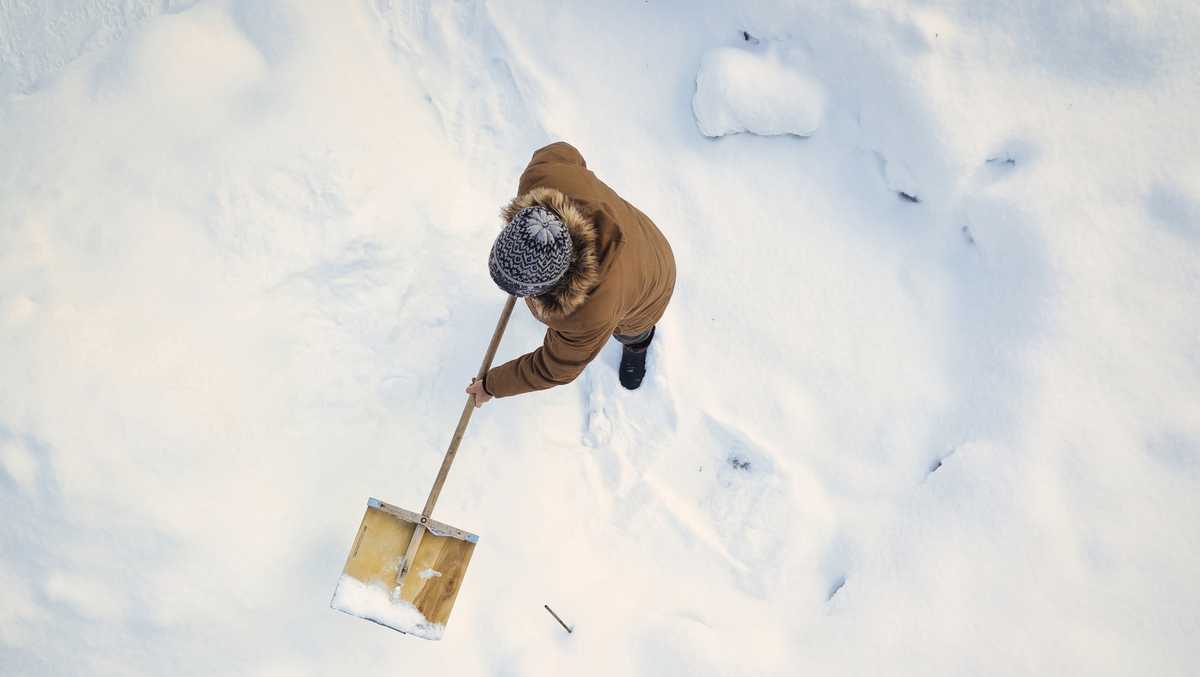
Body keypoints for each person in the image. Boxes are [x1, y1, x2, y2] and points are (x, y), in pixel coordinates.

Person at [465, 141, 676, 407]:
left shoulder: (589, 313)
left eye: (526, 290)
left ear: (553, 283)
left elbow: (553, 367)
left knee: (633, 329)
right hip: (637, 229)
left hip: (653, 279)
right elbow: (564, 152)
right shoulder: (543, 178)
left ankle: (637, 346)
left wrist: (491, 385)